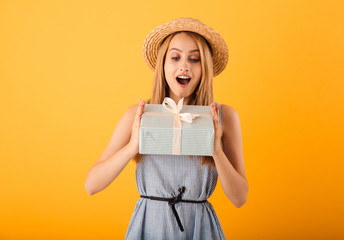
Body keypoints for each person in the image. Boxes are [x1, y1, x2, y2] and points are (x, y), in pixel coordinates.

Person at [84, 17, 248, 240]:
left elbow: (239, 198)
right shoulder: (137, 115)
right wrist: (133, 146)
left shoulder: (224, 117)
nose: (184, 66)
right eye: (175, 57)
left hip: (199, 229)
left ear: (205, 68)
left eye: (194, 59)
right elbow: (92, 185)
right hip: (150, 226)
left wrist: (216, 151)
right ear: (163, 64)